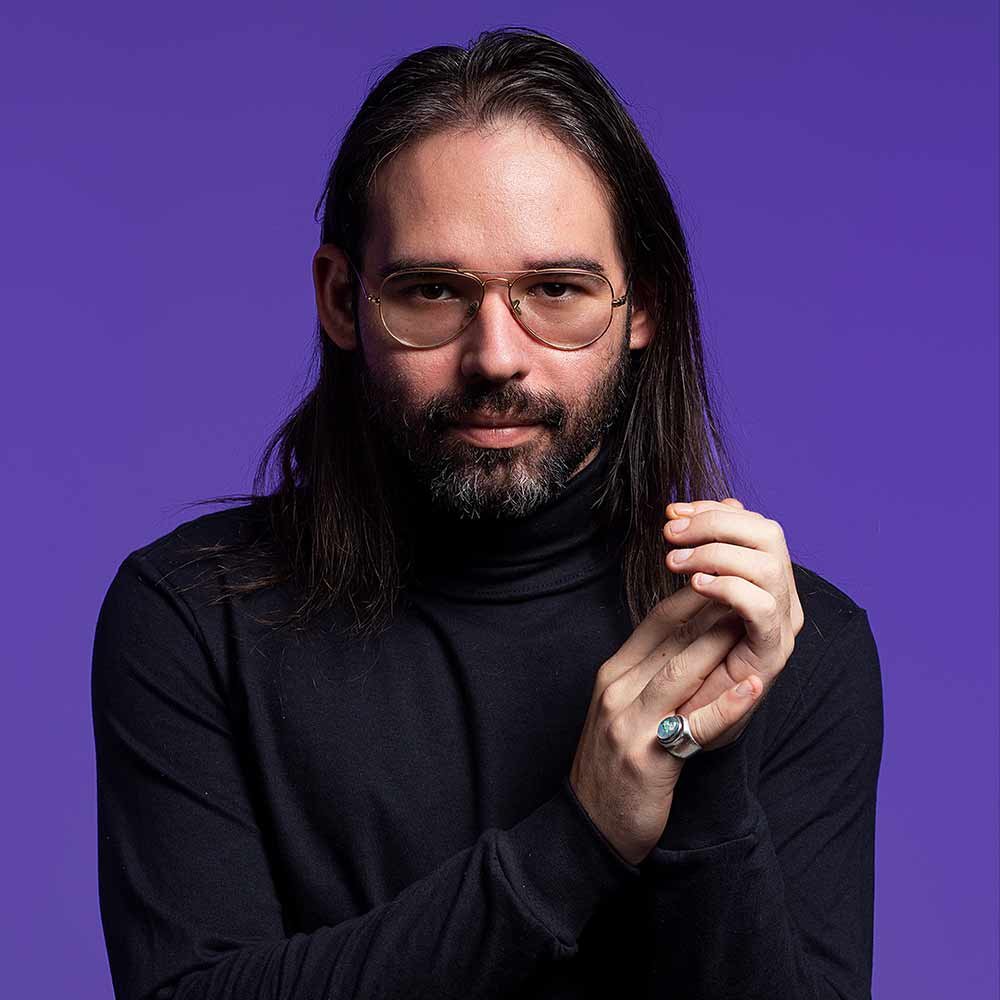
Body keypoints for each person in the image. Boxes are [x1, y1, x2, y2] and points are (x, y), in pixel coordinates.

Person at [91, 26, 884, 1000]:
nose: (496, 357)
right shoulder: (190, 617)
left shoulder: (796, 645)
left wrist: (704, 751)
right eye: (432, 291)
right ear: (340, 300)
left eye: (555, 290)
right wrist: (580, 839)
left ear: (642, 305)